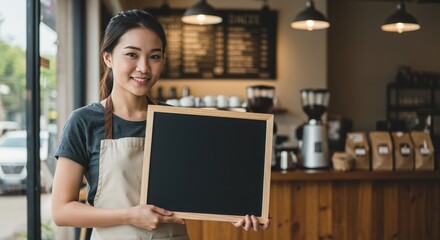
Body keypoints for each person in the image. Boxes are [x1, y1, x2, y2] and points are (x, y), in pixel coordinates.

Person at [51, 9, 270, 239]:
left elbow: (204, 189)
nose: (144, 67)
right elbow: (62, 210)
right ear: (108, 58)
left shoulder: (178, 122)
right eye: (132, 55)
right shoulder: (84, 122)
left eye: (154, 56)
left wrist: (238, 210)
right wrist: (129, 216)